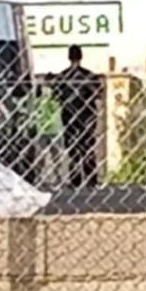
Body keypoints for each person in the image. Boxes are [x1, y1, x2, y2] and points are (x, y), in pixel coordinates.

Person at [54, 45, 101, 188]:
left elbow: (56, 96)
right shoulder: (89, 76)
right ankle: (91, 179)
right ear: (81, 57)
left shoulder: (62, 77)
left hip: (69, 116)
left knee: (73, 149)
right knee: (87, 148)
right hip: (87, 116)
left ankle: (75, 180)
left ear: (69, 57)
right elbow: (98, 93)